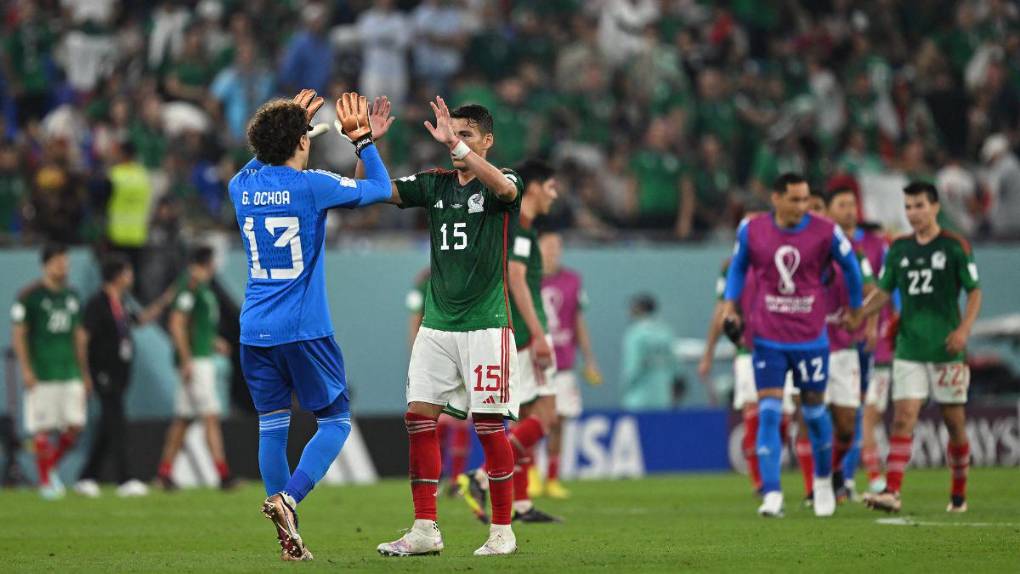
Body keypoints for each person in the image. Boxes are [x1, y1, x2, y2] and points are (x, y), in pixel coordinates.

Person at [230, 89, 393, 561]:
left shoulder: (240, 186)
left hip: (253, 329)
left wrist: (288, 125)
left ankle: (290, 538)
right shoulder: (313, 186)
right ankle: (289, 499)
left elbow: (258, 162)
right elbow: (379, 189)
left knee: (273, 428)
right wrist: (364, 143)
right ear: (303, 142)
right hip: (303, 329)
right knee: (336, 420)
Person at [366, 97, 523, 557]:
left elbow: (508, 194)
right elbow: (373, 192)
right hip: (437, 324)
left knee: (490, 426)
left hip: (486, 324)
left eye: (466, 135)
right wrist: (365, 146)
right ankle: (424, 529)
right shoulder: (434, 185)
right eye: (451, 134)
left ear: (487, 141)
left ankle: (501, 530)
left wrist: (460, 148)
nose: (454, 142)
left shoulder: (504, 180)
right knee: (418, 419)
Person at [721, 173, 864, 518]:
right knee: (769, 412)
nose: (803, 206)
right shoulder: (752, 230)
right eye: (795, 199)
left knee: (815, 414)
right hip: (768, 336)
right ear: (776, 198)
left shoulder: (824, 230)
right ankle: (772, 495)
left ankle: (823, 482)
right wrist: (730, 304)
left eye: (805, 199)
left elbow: (852, 269)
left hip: (811, 338)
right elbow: (738, 268)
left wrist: (857, 309)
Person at [849, 182, 981, 514]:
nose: (913, 213)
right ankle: (892, 492)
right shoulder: (899, 249)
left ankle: (958, 494)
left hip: (946, 348)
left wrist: (964, 329)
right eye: (908, 207)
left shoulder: (954, 246)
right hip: (908, 347)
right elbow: (883, 290)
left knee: (954, 423)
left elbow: (974, 291)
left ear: (935, 207)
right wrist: (860, 314)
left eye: (919, 206)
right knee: (903, 417)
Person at [459, 158, 561, 524]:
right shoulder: (520, 228)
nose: (554, 193)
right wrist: (538, 333)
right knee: (545, 417)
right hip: (525, 330)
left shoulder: (520, 226)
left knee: (528, 417)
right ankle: (483, 475)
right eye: (550, 186)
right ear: (532, 187)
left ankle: (520, 504)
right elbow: (517, 279)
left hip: (515, 329)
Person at [75, 254, 174, 498]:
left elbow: (139, 321)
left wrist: (163, 302)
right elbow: (81, 338)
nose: (131, 277)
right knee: (117, 424)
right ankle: (124, 479)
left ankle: (86, 477)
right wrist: (86, 374)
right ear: (118, 276)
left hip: (119, 374)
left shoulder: (122, 302)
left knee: (108, 426)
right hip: (103, 372)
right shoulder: (97, 304)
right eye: (128, 273)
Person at [824, 186, 893, 499]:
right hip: (812, 344)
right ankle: (824, 480)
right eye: (843, 204)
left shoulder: (864, 249)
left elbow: (876, 290)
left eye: (853, 203)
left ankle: (845, 478)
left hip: (852, 345)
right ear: (829, 210)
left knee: (858, 412)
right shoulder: (817, 244)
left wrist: (871, 324)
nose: (850, 209)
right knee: (817, 416)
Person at [11, 243, 91, 499]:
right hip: (43, 371)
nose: (64, 266)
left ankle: (50, 468)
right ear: (46, 265)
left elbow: (79, 336)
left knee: (76, 426)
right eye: (59, 261)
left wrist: (84, 372)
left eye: (66, 262)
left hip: (70, 370)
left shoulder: (72, 296)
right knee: (42, 429)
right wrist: (26, 369)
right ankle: (46, 483)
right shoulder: (30, 297)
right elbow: (19, 334)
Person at [155, 246, 237, 492]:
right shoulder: (189, 286)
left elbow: (194, 325)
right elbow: (176, 323)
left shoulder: (199, 287)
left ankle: (164, 473)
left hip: (202, 356)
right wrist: (187, 358)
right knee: (210, 415)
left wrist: (213, 341)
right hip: (197, 362)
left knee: (183, 420)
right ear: (208, 262)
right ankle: (223, 475)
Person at [534, 231, 603, 499]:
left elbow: (578, 323)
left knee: (559, 421)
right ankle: (529, 476)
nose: (552, 252)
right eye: (547, 247)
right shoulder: (525, 277)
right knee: (533, 419)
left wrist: (589, 359)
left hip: (562, 363)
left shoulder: (573, 280)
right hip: (534, 362)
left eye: (556, 247)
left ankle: (551, 478)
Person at [406, 268, 471, 497]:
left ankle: (454, 479)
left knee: (459, 419)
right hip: (438, 353)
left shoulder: (461, 281)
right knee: (440, 418)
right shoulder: (425, 286)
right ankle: (442, 475)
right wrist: (418, 355)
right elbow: (414, 319)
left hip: (460, 353)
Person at [620, 294, 677, 410]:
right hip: (663, 399)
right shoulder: (666, 332)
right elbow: (675, 368)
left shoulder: (635, 334)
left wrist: (624, 390)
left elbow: (631, 368)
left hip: (638, 399)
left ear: (639, 309)